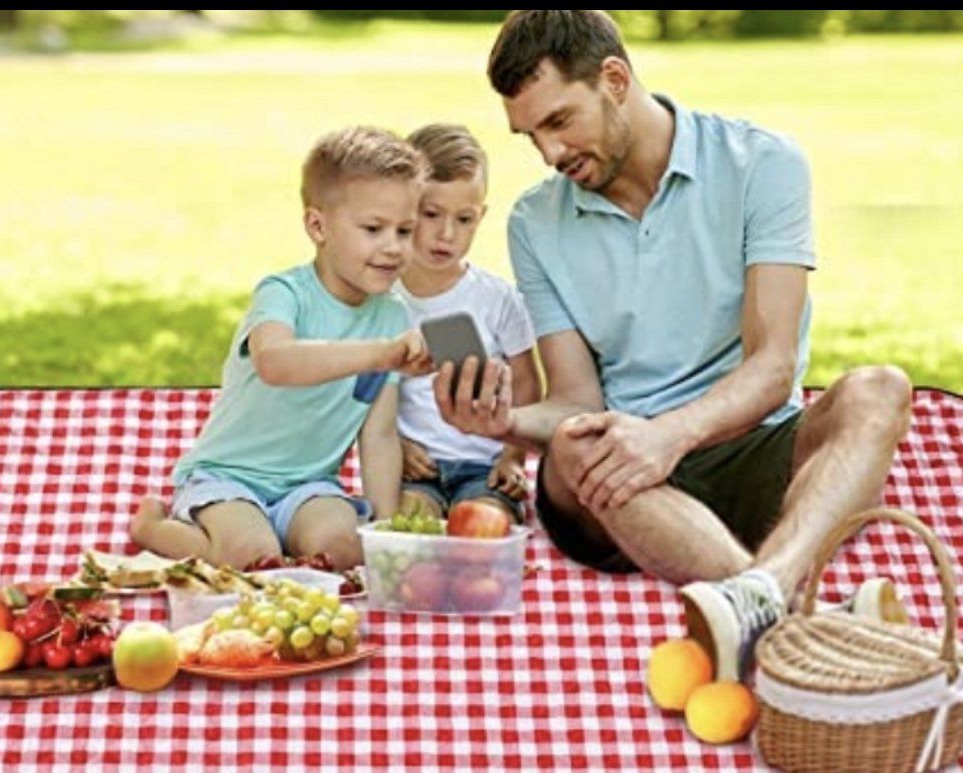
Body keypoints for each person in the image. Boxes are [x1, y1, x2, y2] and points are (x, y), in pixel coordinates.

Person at [434, 10, 913, 681]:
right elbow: (575, 399)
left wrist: (670, 435)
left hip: (744, 444)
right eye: (529, 136)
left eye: (558, 121)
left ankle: (760, 595)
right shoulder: (535, 222)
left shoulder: (761, 164)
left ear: (614, 79)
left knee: (878, 388)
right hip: (620, 484)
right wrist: (506, 421)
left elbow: (773, 365)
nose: (548, 153)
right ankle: (803, 615)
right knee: (574, 442)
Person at [130, 126, 432, 571]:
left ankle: (291, 534)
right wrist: (379, 354)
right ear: (317, 225)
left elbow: (379, 434)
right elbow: (275, 362)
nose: (393, 247)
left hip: (309, 485)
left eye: (405, 230)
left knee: (346, 550)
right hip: (229, 477)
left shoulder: (392, 318)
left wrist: (384, 532)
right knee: (251, 556)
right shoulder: (282, 294)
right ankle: (154, 530)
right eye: (373, 228)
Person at [393, 123, 542, 526]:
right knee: (409, 529)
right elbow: (365, 395)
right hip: (417, 470)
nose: (447, 234)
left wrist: (512, 456)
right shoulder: (382, 301)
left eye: (464, 219)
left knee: (480, 527)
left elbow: (527, 383)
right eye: (431, 214)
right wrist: (398, 446)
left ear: (481, 217)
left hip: (485, 469)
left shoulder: (497, 299)